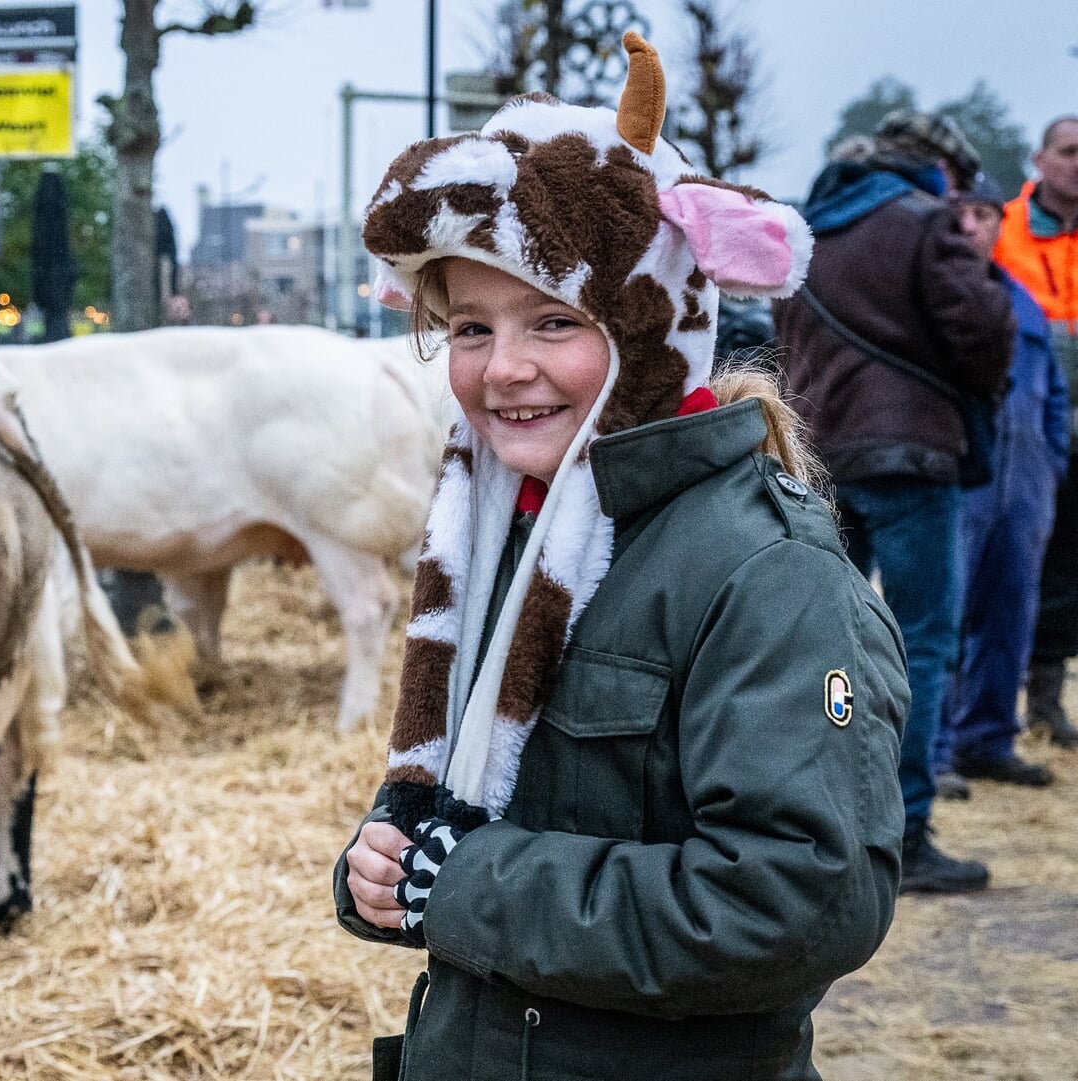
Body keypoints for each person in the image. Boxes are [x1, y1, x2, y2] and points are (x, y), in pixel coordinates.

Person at [333, 35, 904, 1081]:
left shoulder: (768, 573)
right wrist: (388, 864)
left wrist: (462, 885)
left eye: (556, 320)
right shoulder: (504, 532)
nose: (504, 369)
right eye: (469, 327)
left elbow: (802, 901)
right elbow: (488, 815)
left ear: (653, 327)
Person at [772, 109, 1014, 894]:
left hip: (817, 454)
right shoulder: (926, 223)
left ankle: (812, 817)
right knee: (918, 643)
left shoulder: (805, 231)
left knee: (822, 642)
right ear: (933, 164)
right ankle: (905, 830)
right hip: (910, 458)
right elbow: (981, 330)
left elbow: (782, 342)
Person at [936, 175, 1069, 794]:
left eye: (987, 215)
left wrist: (1052, 459)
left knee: (1013, 611)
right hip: (961, 475)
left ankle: (988, 740)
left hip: (1028, 483)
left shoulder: (1024, 303)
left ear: (1000, 224)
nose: (975, 226)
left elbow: (1055, 395)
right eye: (964, 214)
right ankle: (932, 750)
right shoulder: (932, 292)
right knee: (944, 614)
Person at [996, 116, 1078, 748]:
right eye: (1069, 151)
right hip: (1021, 424)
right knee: (1014, 563)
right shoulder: (999, 229)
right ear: (1039, 159)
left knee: (1067, 569)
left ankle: (1047, 700)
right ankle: (987, 704)